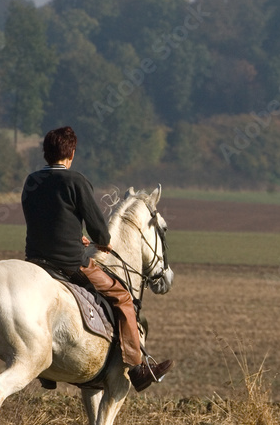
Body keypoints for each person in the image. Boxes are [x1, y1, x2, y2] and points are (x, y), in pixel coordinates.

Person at [21, 126, 172, 391]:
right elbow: (99, 231)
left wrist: (72, 235)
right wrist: (102, 241)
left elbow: (45, 220)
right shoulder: (76, 181)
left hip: (34, 261)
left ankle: (46, 369)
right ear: (71, 153)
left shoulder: (31, 181)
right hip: (67, 263)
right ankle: (137, 368)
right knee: (123, 297)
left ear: (46, 153)